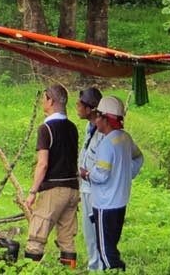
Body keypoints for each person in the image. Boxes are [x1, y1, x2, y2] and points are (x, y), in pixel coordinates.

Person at [79, 95, 143, 271]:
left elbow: (101, 175)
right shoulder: (125, 138)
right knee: (111, 245)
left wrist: (86, 174)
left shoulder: (107, 143)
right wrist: (126, 175)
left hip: (105, 205)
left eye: (98, 116)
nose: (96, 120)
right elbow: (138, 158)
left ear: (106, 119)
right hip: (120, 202)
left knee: (106, 253)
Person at [22, 84, 80, 266]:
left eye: (44, 99)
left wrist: (33, 191)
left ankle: (30, 270)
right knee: (67, 237)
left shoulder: (45, 129)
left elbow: (43, 163)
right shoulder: (72, 128)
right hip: (73, 189)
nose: (42, 102)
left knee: (36, 236)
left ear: (50, 101)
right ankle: (68, 269)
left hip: (54, 189)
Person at [75, 86, 105, 269]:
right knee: (88, 232)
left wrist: (89, 174)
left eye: (79, 105)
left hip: (96, 189)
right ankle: (93, 265)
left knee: (97, 230)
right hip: (85, 187)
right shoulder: (89, 127)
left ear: (90, 109)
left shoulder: (103, 132)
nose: (77, 108)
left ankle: (100, 266)